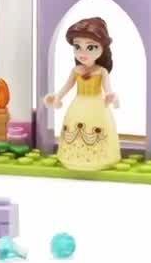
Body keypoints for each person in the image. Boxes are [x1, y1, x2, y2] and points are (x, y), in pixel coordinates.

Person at [44, 17, 121, 171]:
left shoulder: (101, 71)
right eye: (77, 46)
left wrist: (112, 98)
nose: (82, 53)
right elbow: (67, 86)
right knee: (74, 129)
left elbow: (108, 90)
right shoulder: (76, 70)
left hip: (96, 106)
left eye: (90, 47)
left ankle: (98, 158)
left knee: (96, 131)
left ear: (102, 48)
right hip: (78, 105)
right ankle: (73, 157)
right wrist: (57, 97)